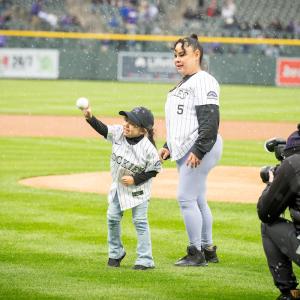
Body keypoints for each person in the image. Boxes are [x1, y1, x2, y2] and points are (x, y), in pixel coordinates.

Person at [158, 34, 223, 266]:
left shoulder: (203, 80)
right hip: (189, 146)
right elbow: (181, 121)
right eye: (175, 55)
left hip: (200, 147)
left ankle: (195, 253)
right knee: (197, 199)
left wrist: (199, 149)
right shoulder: (186, 81)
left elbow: (210, 120)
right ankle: (208, 249)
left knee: (186, 198)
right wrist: (167, 146)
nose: (177, 59)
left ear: (197, 54)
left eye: (182, 54)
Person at [80, 104, 162, 270]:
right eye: (126, 120)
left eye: (132, 123)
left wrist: (135, 179)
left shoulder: (148, 149)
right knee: (112, 218)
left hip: (139, 191)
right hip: (119, 188)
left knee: (140, 222)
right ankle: (116, 253)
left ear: (143, 130)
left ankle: (145, 260)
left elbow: (154, 171)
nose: (126, 124)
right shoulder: (118, 133)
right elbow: (103, 129)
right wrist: (90, 118)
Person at [257, 124, 300, 300]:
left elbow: (265, 212)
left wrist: (273, 182)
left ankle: (288, 292)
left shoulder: (294, 163)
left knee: (268, 226)